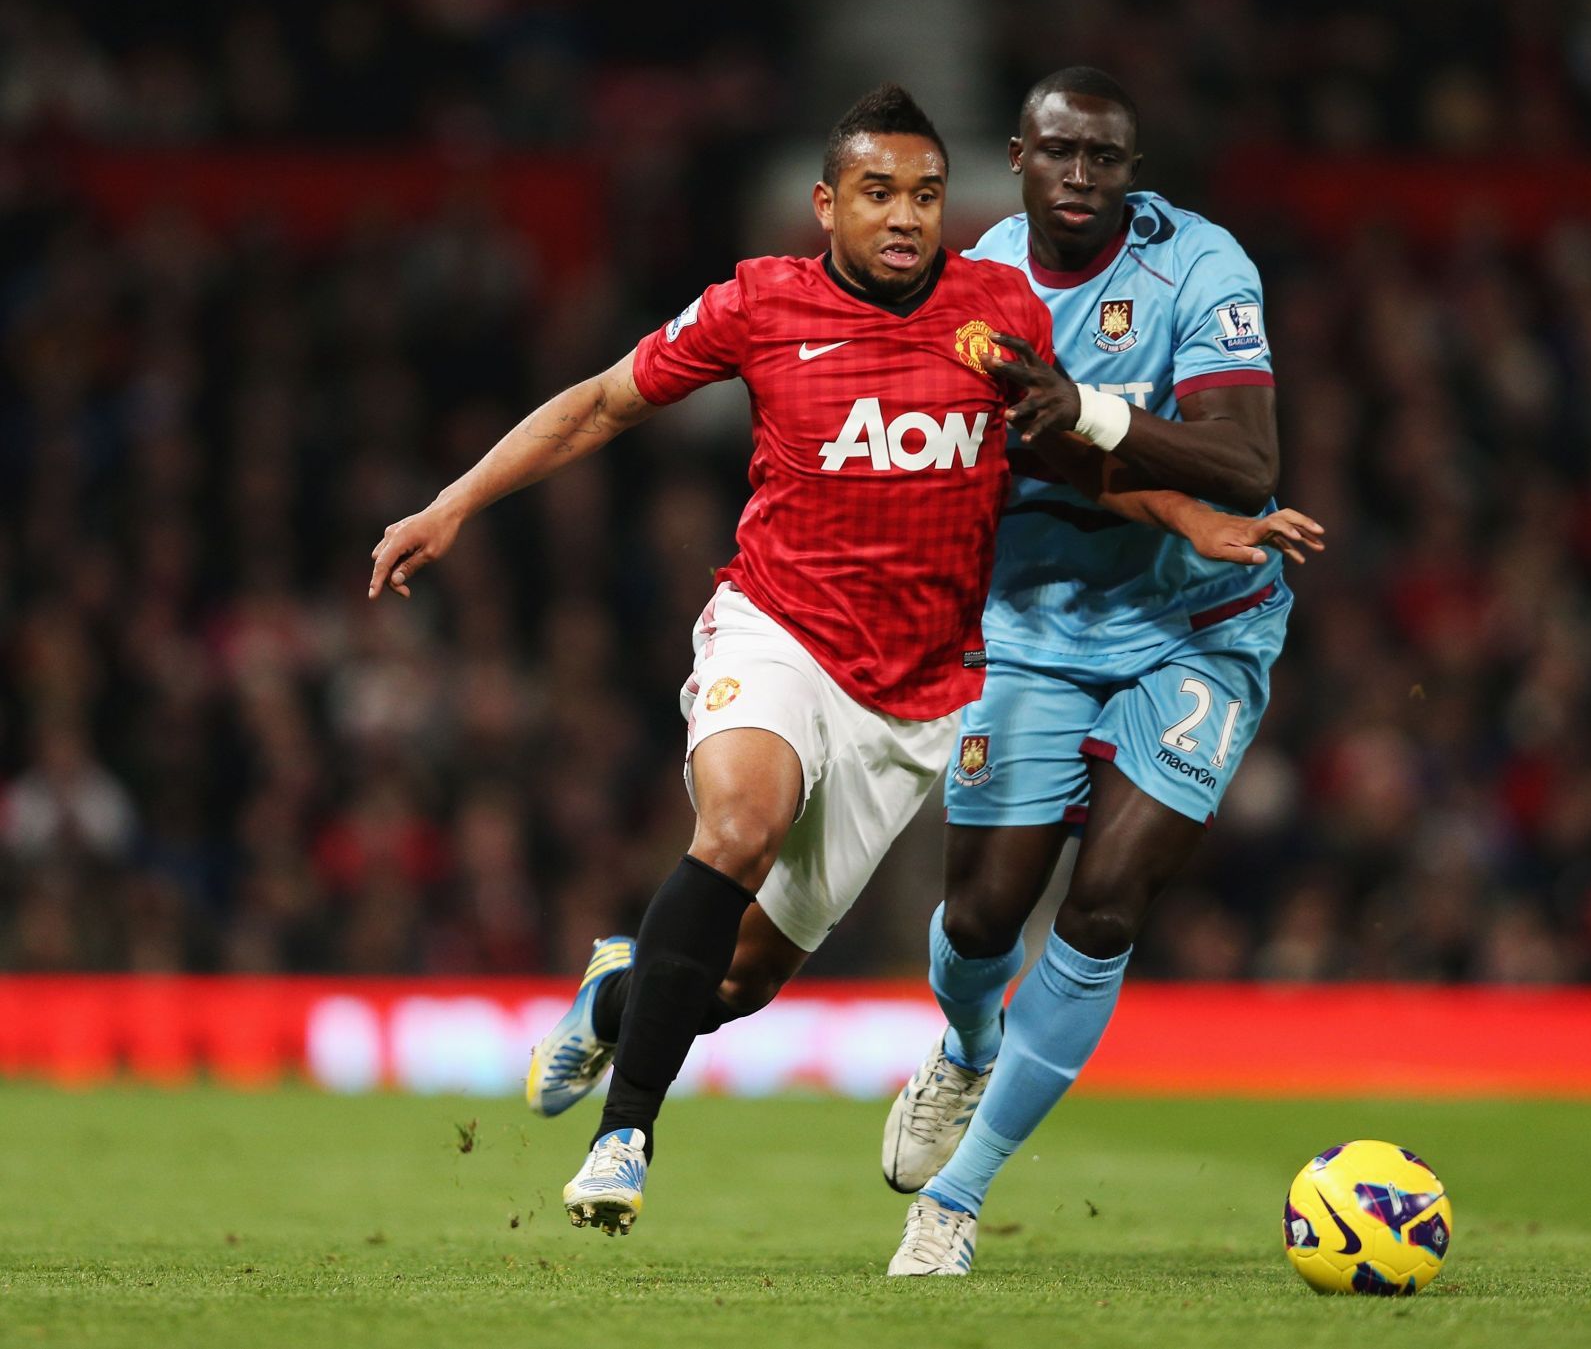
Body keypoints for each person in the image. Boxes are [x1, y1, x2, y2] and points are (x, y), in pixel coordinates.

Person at [373, 84, 1295, 1237]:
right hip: (776, 631)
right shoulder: (758, 303)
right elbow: (605, 404)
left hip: (910, 701)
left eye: (924, 194)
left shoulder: (997, 307)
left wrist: (1183, 517)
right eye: (876, 193)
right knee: (738, 827)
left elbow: (1053, 451)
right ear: (825, 205)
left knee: (734, 981)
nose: (905, 216)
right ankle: (628, 1136)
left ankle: (619, 991)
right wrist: (454, 504)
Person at [881, 67, 1316, 1276]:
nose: (1082, 178)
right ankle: (964, 1050)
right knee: (979, 917)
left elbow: (1250, 459)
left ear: (1133, 167)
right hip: (1031, 621)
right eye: (1060, 154)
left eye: (1106, 159)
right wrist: (1147, 487)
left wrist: (1100, 417)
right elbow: (1032, 458)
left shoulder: (1202, 268)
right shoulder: (979, 291)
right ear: (1015, 158)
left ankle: (955, 1204)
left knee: (1111, 896)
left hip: (1202, 625)